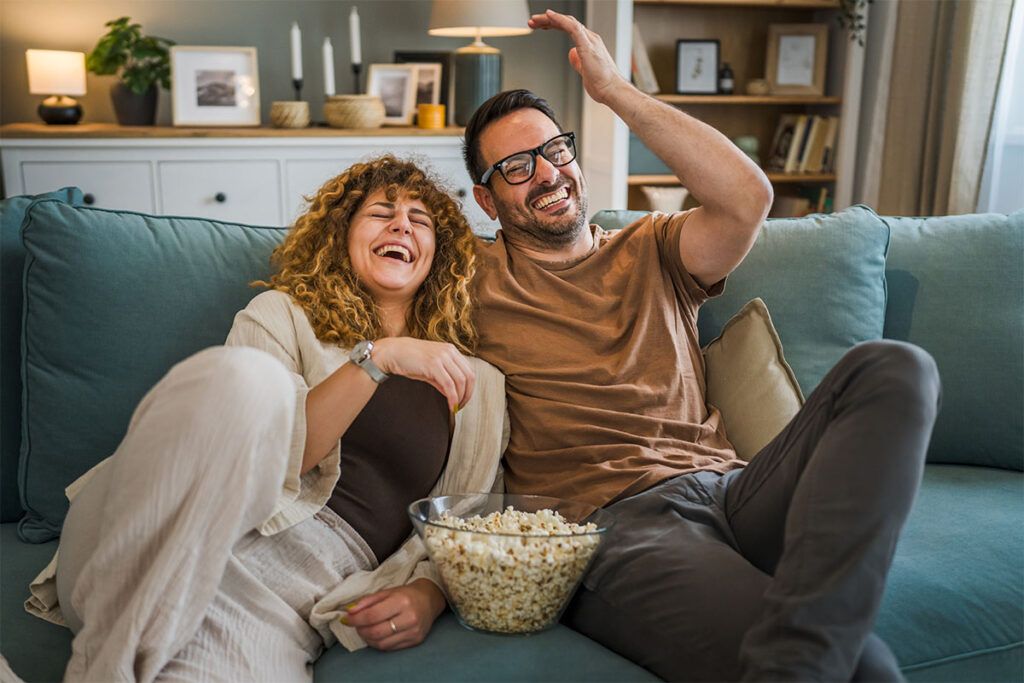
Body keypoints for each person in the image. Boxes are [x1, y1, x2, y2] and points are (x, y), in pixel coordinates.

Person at [462, 10, 940, 683]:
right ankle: (803, 659)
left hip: (734, 491)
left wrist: (616, 92)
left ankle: (794, 658)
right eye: (516, 166)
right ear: (487, 201)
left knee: (896, 369)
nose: (547, 173)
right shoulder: (470, 280)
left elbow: (749, 198)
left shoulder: (652, 246)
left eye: (555, 150)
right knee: (866, 670)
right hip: (615, 526)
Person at [25, 156, 508, 682]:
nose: (401, 226)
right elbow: (275, 453)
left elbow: (473, 520)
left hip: (294, 586)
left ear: (439, 255)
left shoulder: (478, 384)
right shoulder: (281, 314)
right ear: (340, 237)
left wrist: (430, 592)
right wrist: (379, 358)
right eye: (381, 214)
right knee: (248, 382)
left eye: (420, 220)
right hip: (174, 512)